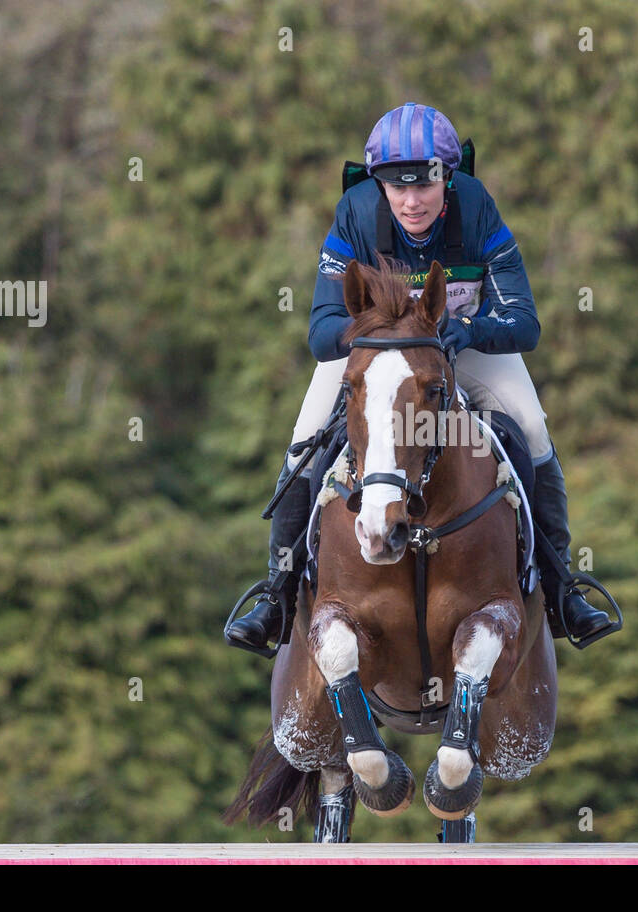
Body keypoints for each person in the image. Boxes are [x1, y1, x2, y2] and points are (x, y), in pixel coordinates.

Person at [226, 102, 617, 651]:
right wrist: (388, 335)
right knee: (302, 446)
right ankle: (276, 594)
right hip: (378, 349)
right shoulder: (357, 212)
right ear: (379, 185)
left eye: (426, 187)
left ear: (448, 181)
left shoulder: (476, 208)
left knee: (530, 429)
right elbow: (321, 334)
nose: (411, 202)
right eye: (397, 187)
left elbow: (524, 324)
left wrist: (470, 329)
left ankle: (562, 589)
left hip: (460, 343)